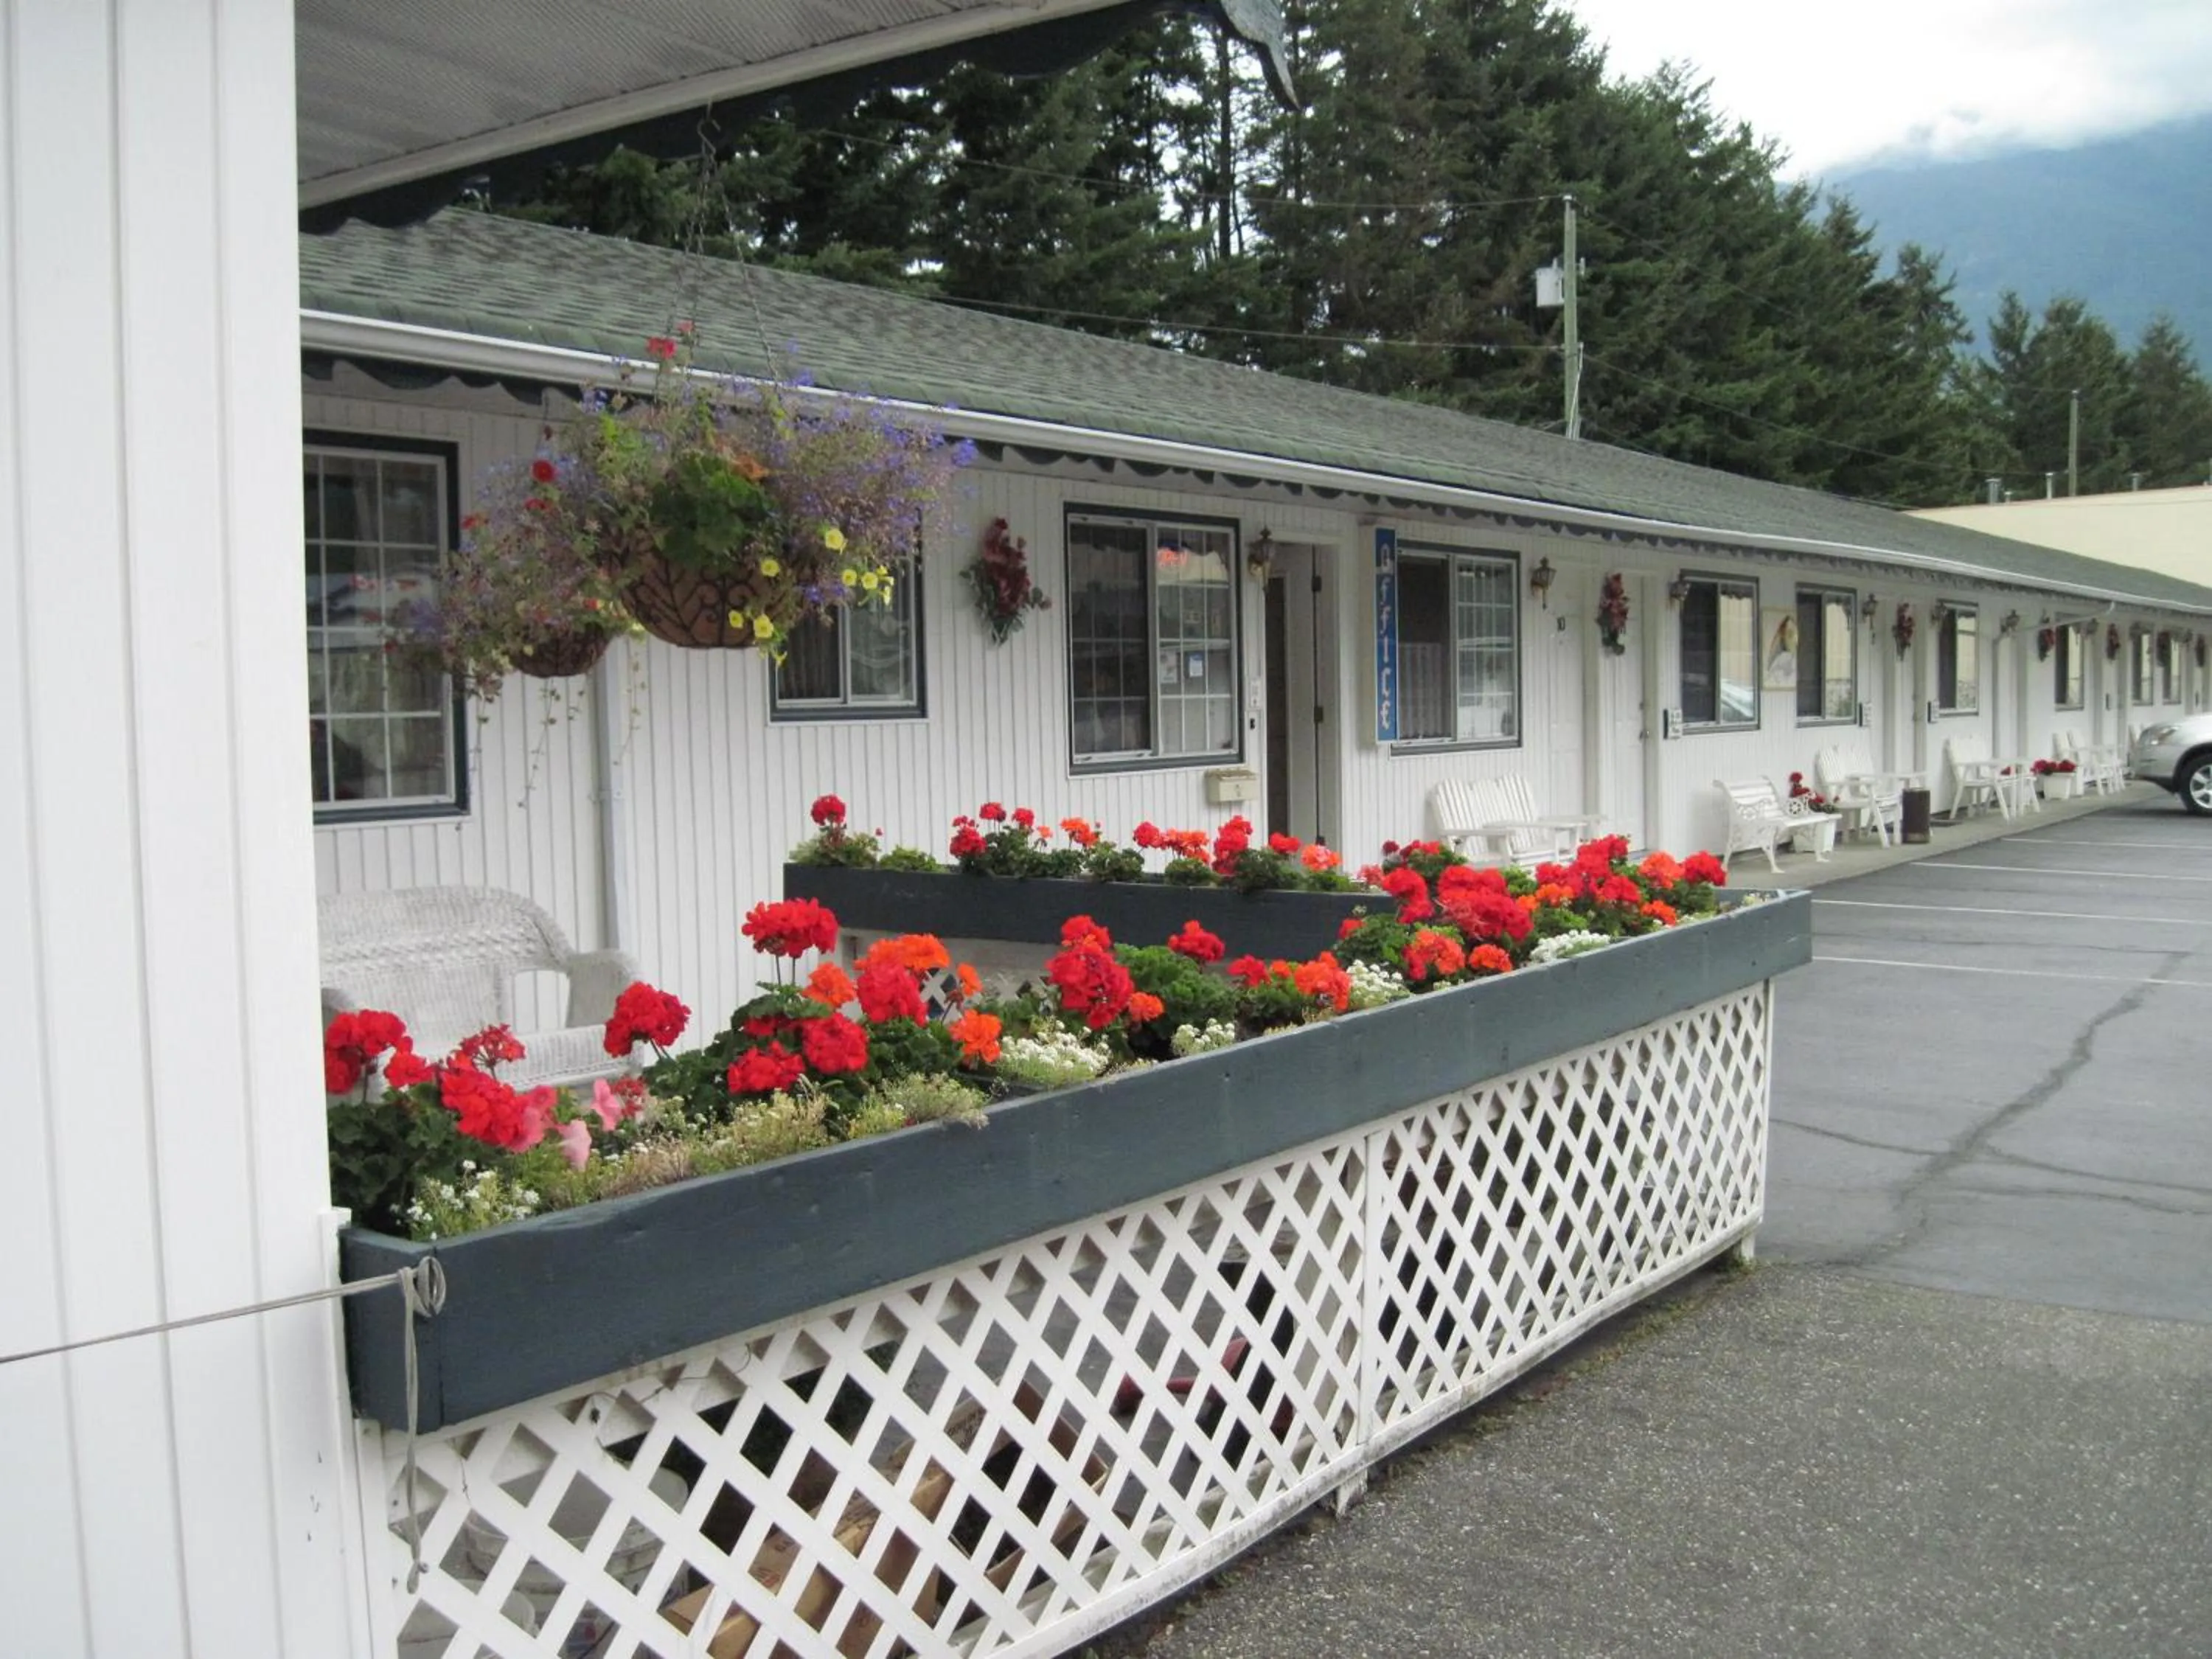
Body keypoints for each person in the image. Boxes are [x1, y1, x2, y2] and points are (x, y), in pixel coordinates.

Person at [1765, 613, 1798, 690]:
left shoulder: (1796, 658)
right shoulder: (1782, 659)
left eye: (1796, 634)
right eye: (1790, 634)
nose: (1795, 639)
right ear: (1783, 636)